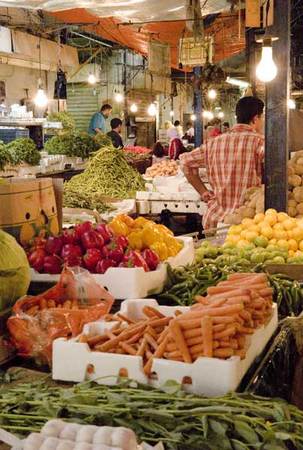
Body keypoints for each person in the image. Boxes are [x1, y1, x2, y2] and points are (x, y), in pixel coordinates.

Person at [180, 96, 264, 231]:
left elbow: (185, 162)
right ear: (255, 119)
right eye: (262, 117)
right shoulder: (260, 142)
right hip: (247, 225)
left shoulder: (213, 143)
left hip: (215, 221)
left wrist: (203, 192)